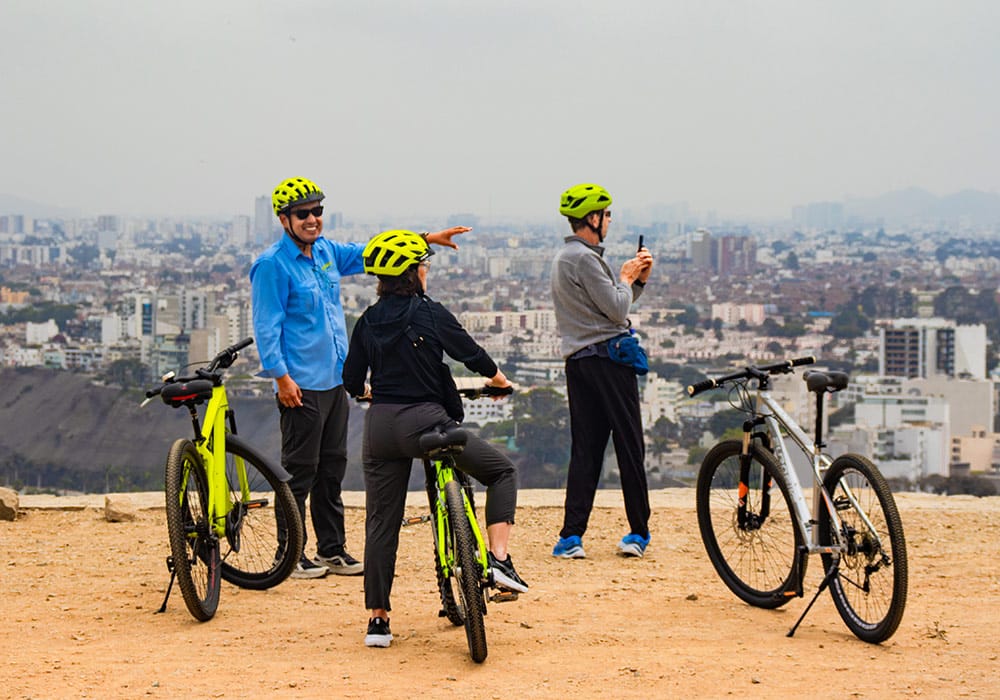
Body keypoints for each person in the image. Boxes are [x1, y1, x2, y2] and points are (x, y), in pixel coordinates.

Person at [250, 177, 468, 579]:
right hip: (300, 383)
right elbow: (266, 326)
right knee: (299, 471)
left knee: (332, 468)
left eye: (317, 211)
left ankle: (332, 549)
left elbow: (374, 251)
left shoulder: (327, 253)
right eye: (303, 214)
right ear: (284, 220)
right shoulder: (271, 266)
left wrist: (428, 238)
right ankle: (291, 554)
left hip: (334, 380)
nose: (313, 219)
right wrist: (280, 378)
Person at [343, 229, 527, 648]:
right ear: (412, 274)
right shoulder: (430, 313)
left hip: (380, 430)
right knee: (501, 472)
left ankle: (378, 621)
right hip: (427, 422)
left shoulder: (367, 321)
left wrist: (368, 393)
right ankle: (499, 563)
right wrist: (499, 381)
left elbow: (351, 380)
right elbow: (473, 355)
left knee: (381, 522)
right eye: (423, 265)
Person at [549, 183, 654, 560]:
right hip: (609, 361)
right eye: (607, 215)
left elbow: (608, 305)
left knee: (587, 449)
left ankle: (571, 536)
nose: (609, 221)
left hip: (579, 362)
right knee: (629, 445)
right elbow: (616, 309)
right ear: (593, 219)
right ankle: (639, 531)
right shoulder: (585, 259)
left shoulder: (566, 257)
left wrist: (637, 280)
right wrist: (626, 278)